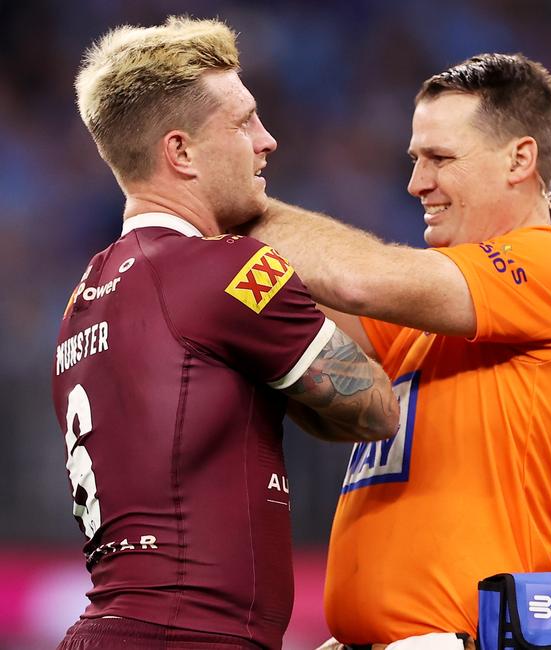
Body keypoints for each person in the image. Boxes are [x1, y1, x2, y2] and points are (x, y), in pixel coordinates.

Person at [241, 53, 551, 647]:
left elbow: (356, 278)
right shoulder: (442, 316)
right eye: (416, 159)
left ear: (520, 159)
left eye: (441, 159)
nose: (417, 182)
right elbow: (296, 303)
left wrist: (235, 201)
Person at [51, 16, 399, 650]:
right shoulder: (228, 269)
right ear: (180, 152)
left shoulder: (84, 296)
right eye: (243, 122)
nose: (266, 141)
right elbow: (375, 407)